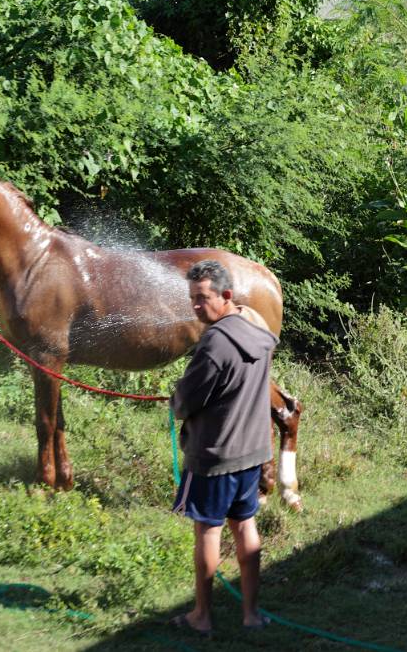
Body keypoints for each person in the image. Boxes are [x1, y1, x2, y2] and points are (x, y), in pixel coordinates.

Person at [169, 259, 277, 636]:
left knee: (208, 533)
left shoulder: (214, 342)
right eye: (192, 299)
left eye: (202, 298)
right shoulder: (257, 330)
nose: (195, 307)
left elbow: (186, 401)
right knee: (245, 526)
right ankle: (251, 615)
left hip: (215, 457)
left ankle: (202, 615)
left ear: (226, 295)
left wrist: (175, 399)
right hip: (252, 453)